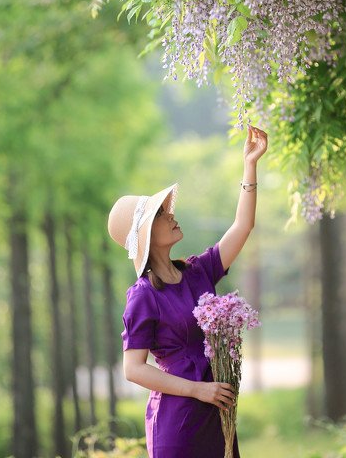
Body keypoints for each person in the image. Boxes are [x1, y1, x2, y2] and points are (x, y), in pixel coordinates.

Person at [107, 124, 268, 458]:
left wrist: (249, 165)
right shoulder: (143, 296)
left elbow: (243, 226)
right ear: (148, 234)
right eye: (163, 215)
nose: (172, 216)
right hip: (178, 421)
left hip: (217, 410)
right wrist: (198, 390)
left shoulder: (198, 271)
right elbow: (133, 368)